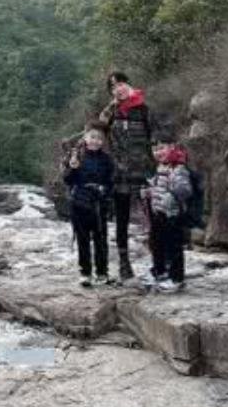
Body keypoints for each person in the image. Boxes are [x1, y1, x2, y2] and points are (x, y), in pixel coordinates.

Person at [99, 72, 154, 283]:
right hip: (120, 173)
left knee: (153, 217)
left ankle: (160, 264)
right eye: (113, 88)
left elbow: (155, 137)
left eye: (120, 84)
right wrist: (111, 106)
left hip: (143, 171)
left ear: (128, 84)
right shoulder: (111, 112)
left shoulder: (143, 109)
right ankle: (124, 264)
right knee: (121, 219)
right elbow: (97, 130)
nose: (118, 89)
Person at [61, 127, 115, 288]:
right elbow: (67, 180)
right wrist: (73, 167)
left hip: (98, 203)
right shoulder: (76, 156)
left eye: (99, 138)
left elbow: (111, 181)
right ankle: (85, 273)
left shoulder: (106, 159)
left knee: (101, 240)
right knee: (82, 240)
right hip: (79, 202)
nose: (95, 141)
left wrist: (105, 192)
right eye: (92, 137)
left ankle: (102, 273)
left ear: (103, 141)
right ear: (85, 138)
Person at [140, 144, 193, 292]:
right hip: (158, 213)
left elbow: (185, 190)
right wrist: (149, 192)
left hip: (172, 215)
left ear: (173, 148)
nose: (158, 152)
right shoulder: (159, 168)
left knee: (173, 246)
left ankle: (177, 278)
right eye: (155, 149)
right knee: (157, 244)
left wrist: (173, 194)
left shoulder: (179, 169)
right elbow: (157, 187)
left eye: (162, 148)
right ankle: (160, 271)